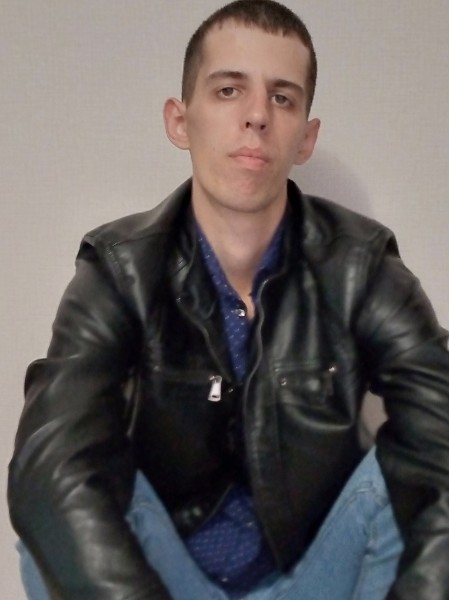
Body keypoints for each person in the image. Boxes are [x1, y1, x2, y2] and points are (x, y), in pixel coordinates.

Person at [8, 1, 449, 599]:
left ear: (306, 138)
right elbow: (49, 464)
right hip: (166, 582)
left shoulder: (361, 266)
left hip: (314, 581)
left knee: (409, 480)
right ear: (180, 120)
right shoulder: (121, 269)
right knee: (64, 506)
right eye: (228, 90)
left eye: (283, 98)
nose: (257, 116)